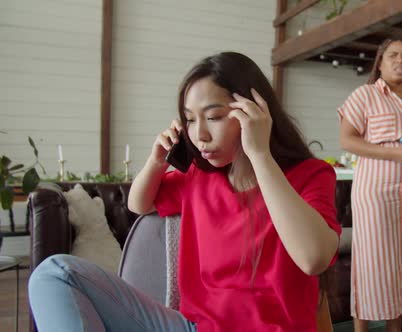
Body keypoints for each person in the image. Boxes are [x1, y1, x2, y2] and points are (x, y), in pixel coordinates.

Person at [28, 52, 341, 332]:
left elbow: (313, 258)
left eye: (215, 117)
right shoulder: (198, 178)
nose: (200, 135)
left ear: (257, 113)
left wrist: (260, 155)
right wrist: (156, 160)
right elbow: (139, 203)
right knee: (55, 273)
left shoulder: (310, 175)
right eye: (190, 120)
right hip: (193, 327)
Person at [338, 38, 402, 332]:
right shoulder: (364, 95)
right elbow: (347, 139)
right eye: (393, 55)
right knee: (371, 259)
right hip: (375, 194)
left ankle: (396, 329)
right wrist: (394, 153)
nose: (400, 61)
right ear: (380, 62)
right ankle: (361, 329)